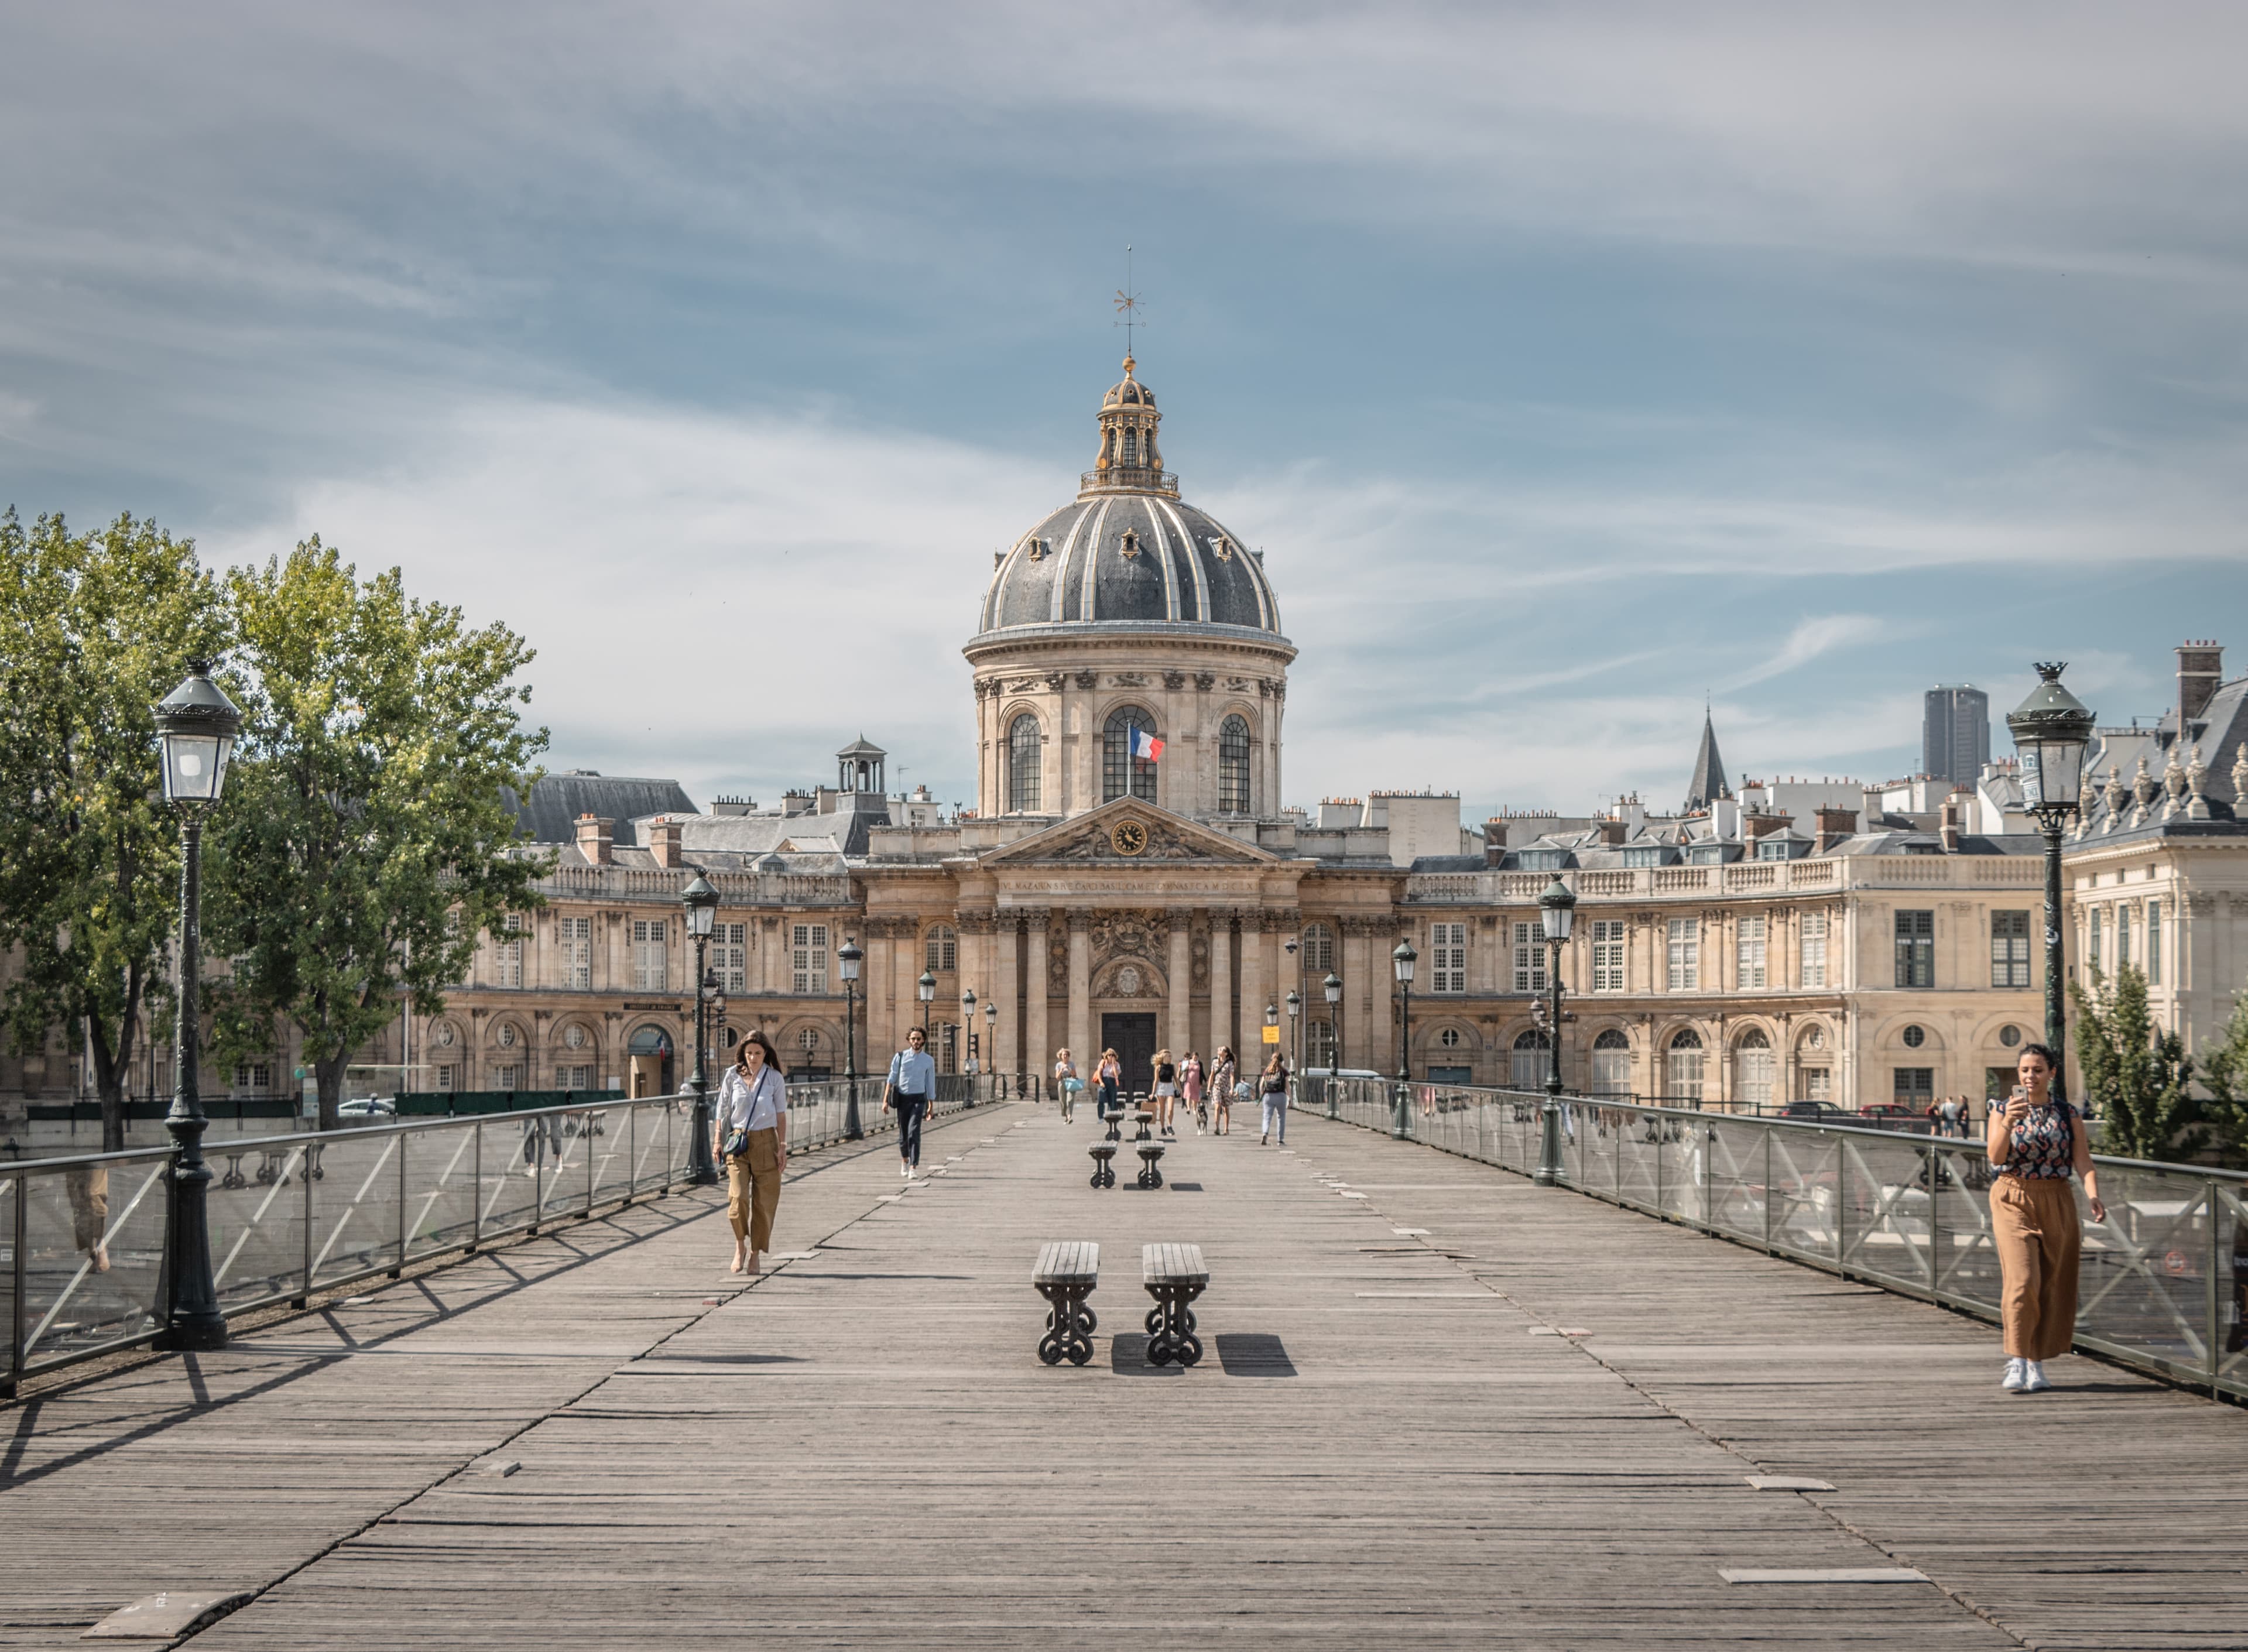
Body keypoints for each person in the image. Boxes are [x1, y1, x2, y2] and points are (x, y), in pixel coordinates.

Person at [1987, 1043, 2105, 1393]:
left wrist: (2094, 1194)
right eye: (2024, 1070)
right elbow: (1995, 1156)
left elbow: (2083, 1162)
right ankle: (2017, 1359)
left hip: (2056, 1198)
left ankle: (2037, 1363)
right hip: (2012, 1195)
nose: (2030, 1077)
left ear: (2052, 1073)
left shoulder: (2068, 1114)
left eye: (2037, 1070)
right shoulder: (2000, 1108)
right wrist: (2009, 1121)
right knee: (2023, 1280)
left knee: (2051, 1284)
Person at [712, 1030, 788, 1276]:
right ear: (742, 1054)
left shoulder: (775, 1078)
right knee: (738, 1198)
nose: (752, 1058)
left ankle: (755, 1254)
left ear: (766, 1054)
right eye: (748, 1054)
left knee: (764, 1203)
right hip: (737, 1141)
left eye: (757, 1053)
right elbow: (721, 1108)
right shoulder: (732, 1076)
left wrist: (783, 1147)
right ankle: (740, 1245)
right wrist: (717, 1140)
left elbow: (780, 1114)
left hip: (767, 1141)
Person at [883, 1026, 937, 1179]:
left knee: (914, 1132)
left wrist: (931, 1107)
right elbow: (891, 1079)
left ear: (924, 1040)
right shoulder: (900, 1057)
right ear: (909, 1040)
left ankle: (914, 1167)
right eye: (913, 1039)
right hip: (903, 1099)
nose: (916, 1041)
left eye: (919, 1039)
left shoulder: (928, 1061)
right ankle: (905, 1161)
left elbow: (930, 1083)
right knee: (903, 1135)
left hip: (918, 1099)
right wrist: (885, 1101)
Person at [66, 1164, 110, 1274]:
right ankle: (92, 1250)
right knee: (77, 1197)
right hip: (73, 1153)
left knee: (94, 1194)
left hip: (97, 1151)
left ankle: (100, 1243)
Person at [1258, 1050, 1290, 1146]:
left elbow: (1261, 1085)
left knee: (1267, 1117)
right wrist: (1290, 1098)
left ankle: (1265, 1133)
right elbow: (1288, 1086)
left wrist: (1262, 1094)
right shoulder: (1284, 1071)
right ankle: (1280, 1140)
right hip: (1281, 1095)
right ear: (1282, 1061)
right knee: (1281, 1117)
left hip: (1268, 1095)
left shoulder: (1267, 1070)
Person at [1151, 1047, 1178, 1137]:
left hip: (1170, 1087)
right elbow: (1156, 1081)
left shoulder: (1172, 1067)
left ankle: (1170, 1126)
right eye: (1169, 1056)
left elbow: (1176, 1078)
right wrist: (1153, 1093)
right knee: (1162, 1110)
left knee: (1170, 1109)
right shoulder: (1158, 1068)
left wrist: (1180, 1089)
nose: (1170, 1057)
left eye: (1171, 1056)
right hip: (1161, 1088)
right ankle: (1163, 1127)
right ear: (1164, 1057)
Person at [1210, 1046, 1236, 1136]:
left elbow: (1232, 1076)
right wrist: (1209, 1088)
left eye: (1222, 1050)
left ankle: (1226, 1129)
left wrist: (1232, 1088)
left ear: (1226, 1053)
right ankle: (1217, 1128)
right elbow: (1212, 1075)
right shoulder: (1214, 1062)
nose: (1220, 1050)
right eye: (1219, 1049)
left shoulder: (1230, 1064)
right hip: (1217, 1087)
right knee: (1217, 1107)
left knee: (1226, 1109)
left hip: (1226, 1088)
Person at [1053, 1047, 1082, 1123]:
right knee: (1062, 1100)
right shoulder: (1058, 1065)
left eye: (1066, 1055)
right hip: (1062, 1082)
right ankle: (1065, 1115)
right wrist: (1062, 1070)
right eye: (1064, 1055)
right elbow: (1057, 1077)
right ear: (1061, 1056)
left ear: (1068, 1056)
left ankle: (1069, 1116)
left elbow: (1075, 1075)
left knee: (1070, 1099)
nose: (1065, 1056)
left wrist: (1069, 1069)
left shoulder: (1072, 1064)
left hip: (1070, 1081)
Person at [1182, 1050, 1207, 1135]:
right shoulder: (1188, 1062)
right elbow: (1183, 1069)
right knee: (1188, 1094)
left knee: (1195, 1096)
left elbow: (1202, 1072)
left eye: (1197, 1057)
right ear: (1192, 1057)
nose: (1196, 1058)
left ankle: (1194, 1108)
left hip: (1197, 1082)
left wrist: (1205, 1080)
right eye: (1194, 1057)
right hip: (1189, 1081)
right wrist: (1185, 1062)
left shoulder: (1200, 1063)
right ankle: (1188, 1108)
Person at [1096, 1048, 1123, 1122]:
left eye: (1113, 1055)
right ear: (1106, 1056)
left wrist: (1114, 1065)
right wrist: (1101, 1082)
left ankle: (1111, 1116)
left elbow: (1116, 1074)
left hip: (1112, 1081)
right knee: (1101, 1099)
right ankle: (1101, 1117)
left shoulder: (1117, 1065)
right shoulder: (1103, 1062)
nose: (1111, 1057)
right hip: (1104, 1081)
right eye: (1109, 1055)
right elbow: (1099, 1073)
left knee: (1112, 1100)